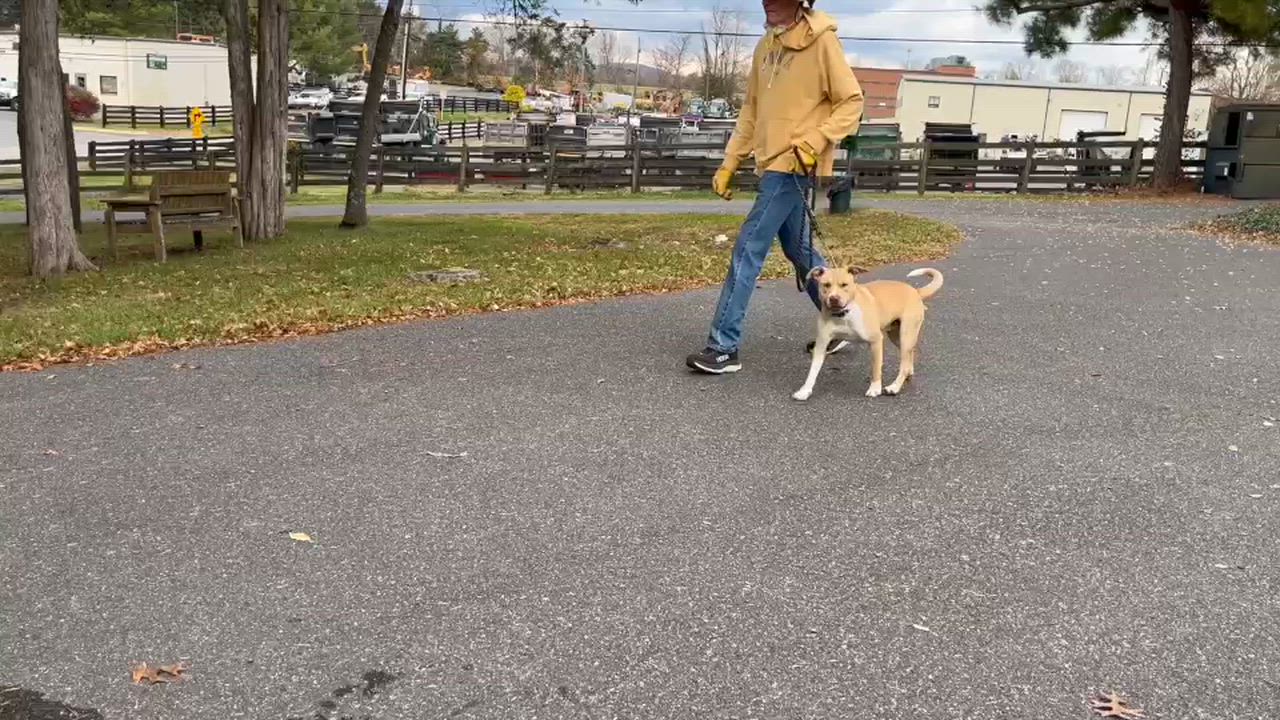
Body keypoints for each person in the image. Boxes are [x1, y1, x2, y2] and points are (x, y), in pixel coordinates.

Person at [685, 0, 864, 375]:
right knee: (800, 251)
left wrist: (816, 140)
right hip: (770, 165)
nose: (766, 1)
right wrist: (730, 161)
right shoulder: (764, 45)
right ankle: (849, 321)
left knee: (748, 247)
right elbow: (750, 110)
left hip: (794, 165)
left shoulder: (823, 42)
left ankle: (723, 346)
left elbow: (851, 102)